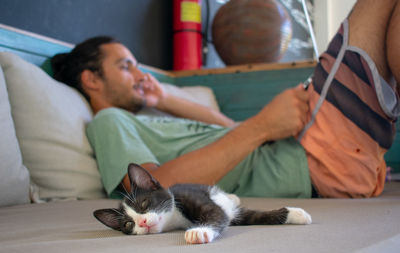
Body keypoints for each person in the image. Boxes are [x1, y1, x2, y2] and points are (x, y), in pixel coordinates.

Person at [52, 0, 399, 198]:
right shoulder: (109, 122)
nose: (142, 75)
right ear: (91, 79)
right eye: (126, 66)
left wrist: (165, 98)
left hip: (315, 149)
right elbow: (153, 194)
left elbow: (233, 132)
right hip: (314, 161)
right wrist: (263, 125)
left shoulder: (150, 121)